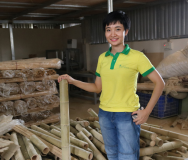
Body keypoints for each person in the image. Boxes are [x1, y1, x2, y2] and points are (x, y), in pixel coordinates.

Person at [58, 10, 165, 160]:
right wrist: (73, 80)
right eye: (108, 30)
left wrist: (146, 111)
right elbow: (97, 88)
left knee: (127, 156)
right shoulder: (103, 58)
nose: (112, 34)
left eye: (118, 29)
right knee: (112, 155)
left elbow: (160, 83)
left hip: (127, 116)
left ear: (126, 31)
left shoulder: (137, 57)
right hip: (105, 115)